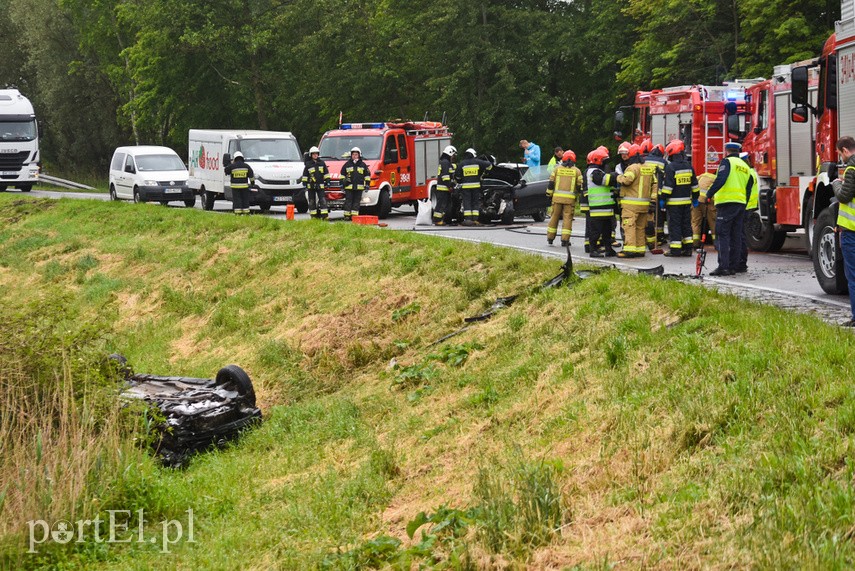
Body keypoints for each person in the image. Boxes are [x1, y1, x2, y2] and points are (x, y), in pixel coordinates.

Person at [706, 141, 753, 276]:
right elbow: (748, 188)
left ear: (726, 151)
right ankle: (734, 266)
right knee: (736, 235)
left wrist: (709, 194)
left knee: (722, 234)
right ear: (738, 152)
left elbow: (720, 179)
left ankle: (723, 267)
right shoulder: (745, 166)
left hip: (727, 203)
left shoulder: (727, 162)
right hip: (740, 204)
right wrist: (744, 204)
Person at [616, 143, 656, 257]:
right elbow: (655, 183)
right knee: (640, 227)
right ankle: (639, 249)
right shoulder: (648, 168)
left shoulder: (632, 167)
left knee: (629, 226)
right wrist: (653, 198)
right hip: (644, 205)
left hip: (631, 205)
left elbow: (627, 180)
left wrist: (617, 177)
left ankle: (629, 250)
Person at [832, 136, 855, 326]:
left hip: (852, 232)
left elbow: (844, 196)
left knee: (853, 276)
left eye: (840, 154)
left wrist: (836, 184)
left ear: (845, 150)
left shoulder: (851, 169)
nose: (841, 157)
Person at [661, 139, 698, 256]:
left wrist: (663, 198)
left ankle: (675, 249)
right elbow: (695, 185)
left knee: (675, 226)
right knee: (686, 225)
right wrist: (695, 198)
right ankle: (688, 249)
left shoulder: (670, 167)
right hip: (687, 203)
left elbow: (668, 187)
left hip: (673, 204)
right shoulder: (689, 166)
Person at [584, 147, 618, 257]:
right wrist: (616, 175)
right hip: (598, 208)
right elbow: (605, 180)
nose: (605, 163)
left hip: (606, 208)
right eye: (604, 161)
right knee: (595, 232)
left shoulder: (599, 171)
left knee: (607, 231)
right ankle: (593, 250)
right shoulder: (594, 172)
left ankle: (609, 249)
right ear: (598, 160)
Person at [546, 150, 583, 247]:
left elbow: (551, 183)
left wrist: (549, 195)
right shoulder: (577, 171)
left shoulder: (557, 169)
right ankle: (565, 240)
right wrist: (580, 197)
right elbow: (580, 187)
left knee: (554, 217)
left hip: (557, 199)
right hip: (569, 201)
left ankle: (550, 238)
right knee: (567, 219)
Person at [454, 148, 493, 226]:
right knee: (475, 202)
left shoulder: (462, 163)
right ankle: (475, 219)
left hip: (465, 187)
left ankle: (468, 219)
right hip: (476, 186)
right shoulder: (478, 162)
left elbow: (457, 176)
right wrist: (485, 173)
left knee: (467, 202)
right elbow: (489, 165)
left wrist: (460, 181)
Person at [736, 152, 760, 272]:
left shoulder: (745, 172)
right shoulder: (752, 171)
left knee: (740, 235)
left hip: (744, 206)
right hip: (750, 206)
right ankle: (741, 262)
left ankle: (740, 263)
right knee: (743, 235)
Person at [341, 147, 371, 221]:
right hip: (349, 187)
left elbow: (367, 176)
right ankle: (347, 216)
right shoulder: (347, 164)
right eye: (353, 154)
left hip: (359, 188)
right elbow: (342, 175)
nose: (354, 156)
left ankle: (354, 216)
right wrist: (342, 184)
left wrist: (367, 184)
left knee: (356, 202)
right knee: (348, 201)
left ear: (359, 155)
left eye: (356, 154)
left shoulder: (363, 165)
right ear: (351, 155)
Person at [301, 146, 329, 219]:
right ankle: (313, 216)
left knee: (323, 200)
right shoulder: (308, 164)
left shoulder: (322, 163)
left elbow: (326, 173)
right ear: (311, 155)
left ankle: (324, 216)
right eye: (313, 154)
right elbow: (305, 175)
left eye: (316, 154)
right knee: (312, 201)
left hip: (320, 186)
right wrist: (304, 183)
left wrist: (328, 181)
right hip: (311, 186)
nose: (315, 155)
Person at [224, 151, 254, 215]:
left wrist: (229, 164)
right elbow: (251, 175)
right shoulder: (246, 166)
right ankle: (246, 212)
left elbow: (226, 171)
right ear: (242, 158)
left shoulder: (232, 166)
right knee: (245, 199)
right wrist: (252, 183)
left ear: (235, 158)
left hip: (235, 187)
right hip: (244, 187)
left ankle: (238, 213)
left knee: (237, 200)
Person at [692, 171, 717, 247]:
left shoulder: (702, 175)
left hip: (696, 199)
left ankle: (695, 243)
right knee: (713, 222)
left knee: (695, 222)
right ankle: (716, 243)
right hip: (707, 201)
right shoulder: (716, 178)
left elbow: (694, 183)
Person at [434, 145, 457, 225]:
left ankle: (446, 220)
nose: (453, 157)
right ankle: (437, 220)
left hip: (444, 188)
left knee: (446, 205)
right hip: (443, 189)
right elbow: (445, 177)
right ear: (450, 153)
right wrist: (450, 186)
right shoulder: (445, 162)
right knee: (441, 205)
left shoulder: (445, 162)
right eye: (453, 155)